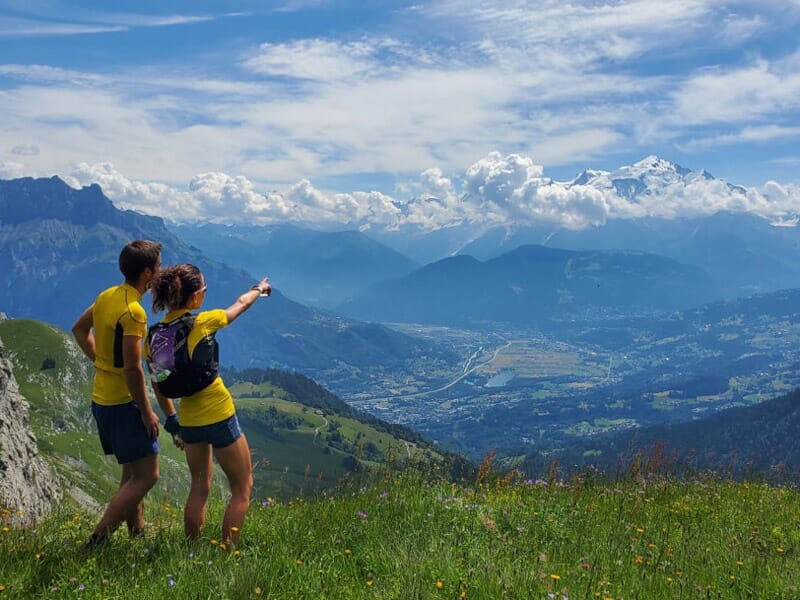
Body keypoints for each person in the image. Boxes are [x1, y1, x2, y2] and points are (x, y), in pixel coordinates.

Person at [146, 264, 271, 546]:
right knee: (242, 486)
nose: (205, 293)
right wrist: (259, 289)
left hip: (188, 420)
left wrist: (172, 419)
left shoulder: (154, 337)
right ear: (193, 299)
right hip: (219, 414)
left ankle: (192, 550)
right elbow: (240, 305)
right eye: (203, 289)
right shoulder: (203, 322)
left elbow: (158, 383)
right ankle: (229, 549)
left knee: (199, 487)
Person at [72, 240, 179, 548]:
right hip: (123, 404)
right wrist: (147, 412)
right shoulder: (134, 313)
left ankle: (137, 533)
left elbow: (79, 329)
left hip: (101, 400)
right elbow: (133, 369)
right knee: (148, 476)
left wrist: (100, 361)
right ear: (147, 272)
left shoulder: (108, 295)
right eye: (158, 266)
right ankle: (97, 540)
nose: (160, 271)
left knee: (132, 472)